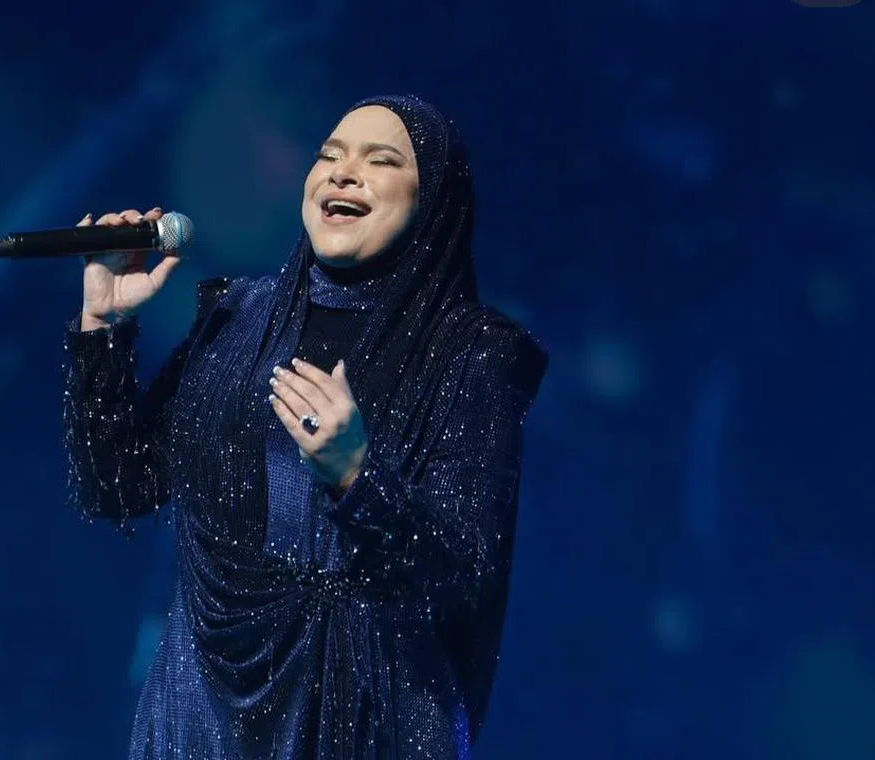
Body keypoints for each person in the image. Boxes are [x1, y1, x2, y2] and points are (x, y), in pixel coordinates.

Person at [62, 95, 547, 758]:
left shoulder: (470, 357)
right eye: (328, 156)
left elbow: (462, 580)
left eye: (380, 161)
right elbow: (115, 488)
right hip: (200, 721)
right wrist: (104, 327)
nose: (343, 173)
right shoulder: (235, 319)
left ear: (433, 200)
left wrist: (356, 476)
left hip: (362, 726)